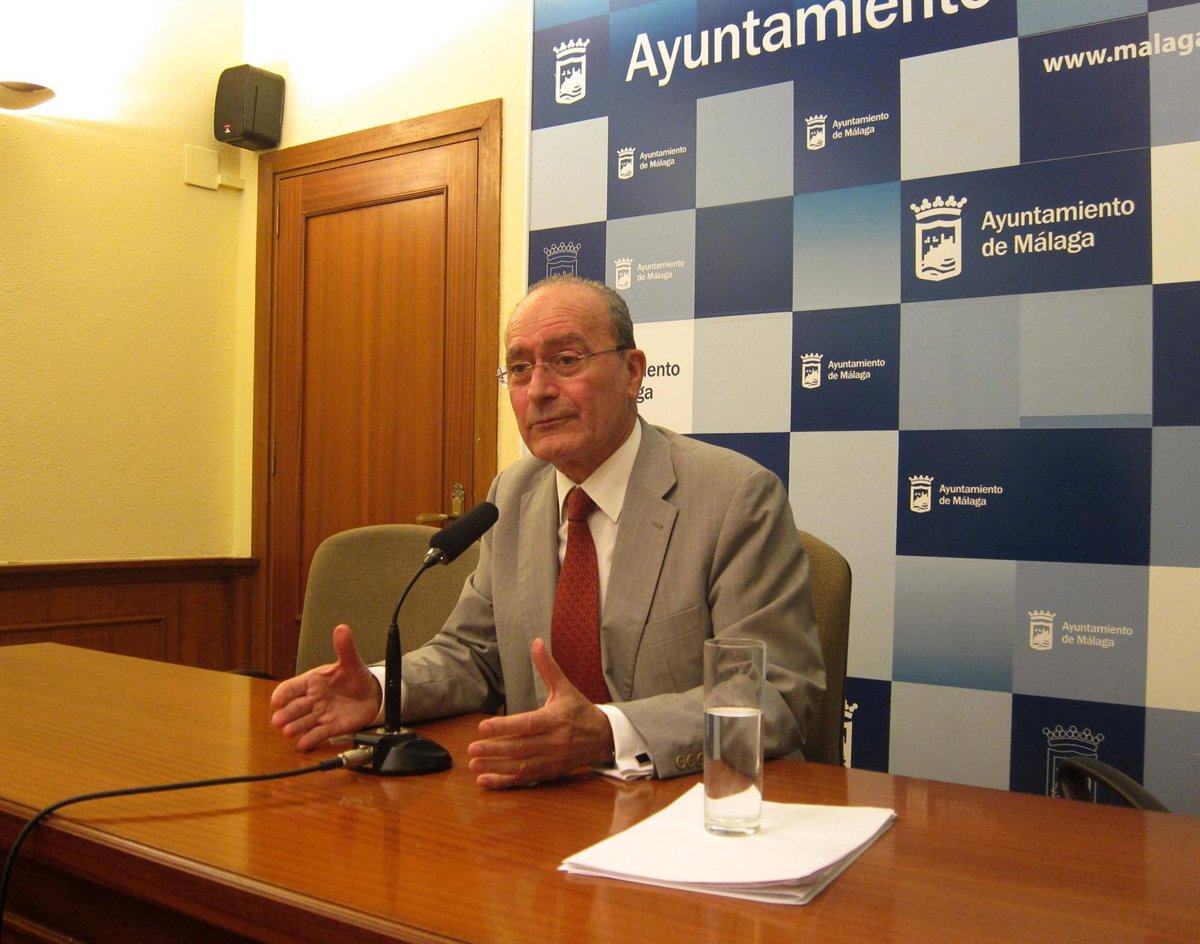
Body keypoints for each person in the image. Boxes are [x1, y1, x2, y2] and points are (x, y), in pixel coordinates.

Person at [270, 275, 825, 788]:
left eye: (566, 360)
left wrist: (607, 733)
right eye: (519, 368)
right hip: (541, 805)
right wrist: (382, 689)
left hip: (690, 806)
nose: (538, 390)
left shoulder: (734, 497)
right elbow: (473, 654)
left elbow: (775, 692)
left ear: (632, 372)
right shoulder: (512, 494)